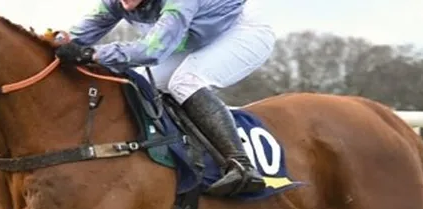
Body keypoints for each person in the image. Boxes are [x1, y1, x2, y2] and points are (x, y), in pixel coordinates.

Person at [56, 0, 275, 197]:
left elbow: (151, 51)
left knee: (185, 82)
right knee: (142, 83)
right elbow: (73, 38)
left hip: (241, 29)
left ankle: (242, 165)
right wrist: (50, 42)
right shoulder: (115, 3)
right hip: (193, 35)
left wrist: (92, 54)